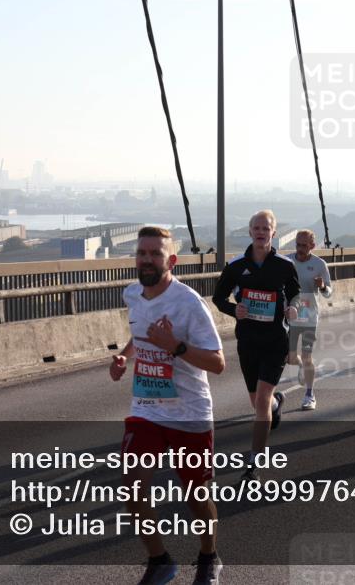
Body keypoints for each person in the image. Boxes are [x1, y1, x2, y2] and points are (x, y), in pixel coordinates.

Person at [110, 226, 225, 584]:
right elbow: (140, 331)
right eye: (142, 253)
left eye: (155, 254)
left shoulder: (189, 303)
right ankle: (160, 560)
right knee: (132, 488)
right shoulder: (133, 294)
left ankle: (209, 557)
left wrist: (174, 345)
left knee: (196, 496)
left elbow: (218, 362)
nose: (147, 259)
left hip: (189, 412)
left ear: (171, 260)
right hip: (146, 408)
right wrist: (125, 357)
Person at [212, 210, 300, 481]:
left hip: (275, 341)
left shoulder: (284, 266)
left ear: (274, 232)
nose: (261, 232)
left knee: (260, 400)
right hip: (248, 341)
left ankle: (254, 461)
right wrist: (233, 310)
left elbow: (295, 293)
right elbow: (218, 298)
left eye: (266, 228)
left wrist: (293, 308)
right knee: (257, 401)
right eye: (257, 227)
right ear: (250, 232)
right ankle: (277, 403)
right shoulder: (236, 265)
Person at [289, 229, 333, 411]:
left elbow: (329, 292)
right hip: (290, 316)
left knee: (307, 357)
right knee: (290, 358)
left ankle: (309, 395)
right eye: (298, 245)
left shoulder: (319, 264)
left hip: (309, 317)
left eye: (304, 245)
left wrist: (322, 286)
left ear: (312, 246)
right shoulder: (287, 261)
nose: (300, 249)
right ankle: (299, 365)